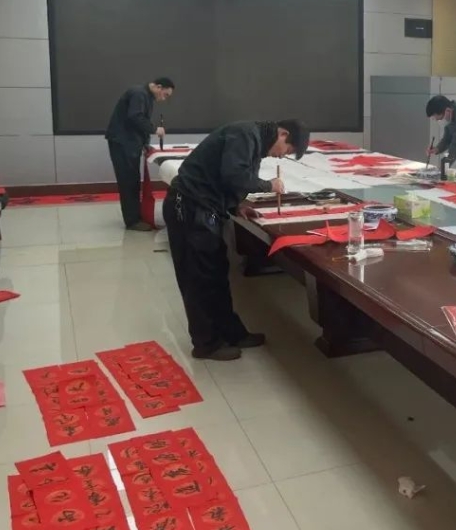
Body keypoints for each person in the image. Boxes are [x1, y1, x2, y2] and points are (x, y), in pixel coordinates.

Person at [163, 120, 309, 361]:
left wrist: (237, 205)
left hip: (206, 207)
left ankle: (232, 333)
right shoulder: (244, 135)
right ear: (283, 134)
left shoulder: (255, 144)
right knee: (199, 278)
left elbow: (226, 180)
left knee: (217, 273)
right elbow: (233, 176)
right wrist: (269, 185)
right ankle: (206, 344)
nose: (282, 156)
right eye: (288, 150)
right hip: (189, 207)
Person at [105, 78, 175, 231]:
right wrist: (154, 129)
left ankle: (137, 216)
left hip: (129, 142)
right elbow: (135, 117)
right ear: (158, 87)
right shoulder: (139, 94)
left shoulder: (145, 96)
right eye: (165, 94)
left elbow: (139, 122)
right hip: (123, 142)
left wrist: (144, 143)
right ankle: (132, 221)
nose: (164, 99)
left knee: (133, 180)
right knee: (128, 181)